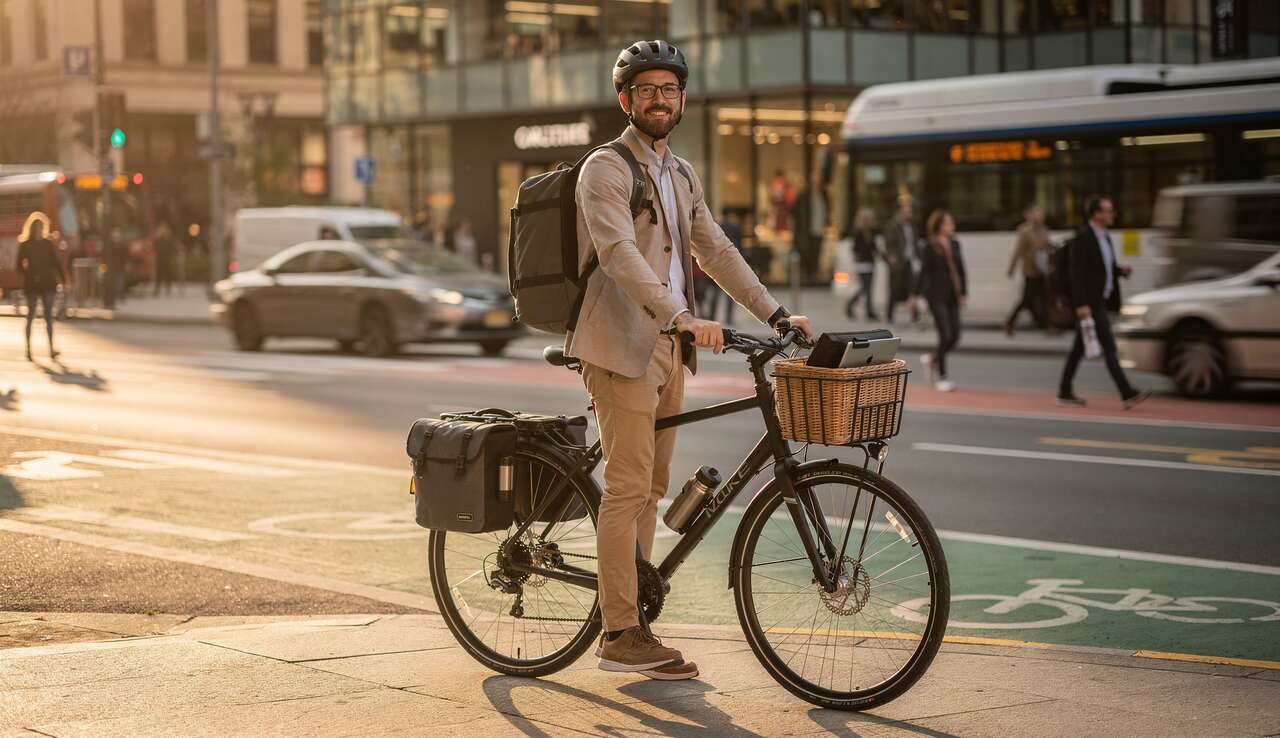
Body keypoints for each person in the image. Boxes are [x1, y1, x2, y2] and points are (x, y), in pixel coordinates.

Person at [571, 39, 814, 681]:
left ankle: (635, 615)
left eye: (669, 89)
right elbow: (619, 254)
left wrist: (774, 314)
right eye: (646, 89)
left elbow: (716, 250)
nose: (659, 99)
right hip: (622, 346)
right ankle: (619, 632)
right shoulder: (606, 167)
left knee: (651, 486)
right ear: (626, 100)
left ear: (682, 99)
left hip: (670, 351)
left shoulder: (680, 173)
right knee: (628, 486)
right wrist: (678, 315)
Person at [1058, 196, 1149, 409]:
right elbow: (1076, 274)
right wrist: (1081, 304)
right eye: (1108, 211)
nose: (1112, 214)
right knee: (1109, 346)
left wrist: (1119, 271)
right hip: (1090, 302)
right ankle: (1126, 392)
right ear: (1096, 214)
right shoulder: (1083, 238)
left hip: (1101, 299)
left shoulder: (1104, 237)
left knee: (1078, 348)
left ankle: (1064, 390)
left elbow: (1102, 267)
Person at [910, 210, 966, 392]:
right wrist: (915, 295)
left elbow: (961, 269)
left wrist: (963, 293)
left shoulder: (955, 243)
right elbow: (924, 271)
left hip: (952, 294)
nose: (952, 225)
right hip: (935, 295)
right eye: (949, 222)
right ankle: (942, 377)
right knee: (945, 334)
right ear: (940, 225)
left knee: (955, 336)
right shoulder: (929, 245)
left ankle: (932, 359)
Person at [15, 212, 67, 361]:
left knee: (48, 317)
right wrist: (29, 274)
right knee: (31, 316)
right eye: (38, 227)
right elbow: (19, 265)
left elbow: (56, 263)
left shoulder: (47, 243)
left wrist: (63, 279)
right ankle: (29, 350)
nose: (40, 229)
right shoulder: (25, 244)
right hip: (32, 284)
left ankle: (50, 348)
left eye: (41, 226)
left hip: (47, 283)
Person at [1005, 204, 1049, 335]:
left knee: (1042, 297)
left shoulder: (1044, 230)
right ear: (1031, 216)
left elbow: (1047, 248)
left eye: (1041, 215)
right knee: (1027, 299)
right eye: (1037, 215)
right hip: (1030, 270)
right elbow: (1018, 251)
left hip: (1042, 270)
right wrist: (1011, 269)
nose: (1039, 217)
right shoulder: (1025, 231)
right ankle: (1011, 321)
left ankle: (1044, 323)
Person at [701, 208, 746, 324]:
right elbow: (739, 246)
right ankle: (728, 317)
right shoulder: (735, 227)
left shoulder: (716, 225)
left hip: (715, 263)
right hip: (731, 263)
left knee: (715, 293)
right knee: (731, 293)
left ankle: (712, 316)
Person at [882, 198, 919, 325]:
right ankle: (889, 315)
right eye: (907, 211)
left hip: (908, 260)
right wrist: (891, 256)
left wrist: (918, 256)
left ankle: (915, 314)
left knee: (912, 288)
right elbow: (888, 243)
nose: (910, 214)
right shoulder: (892, 225)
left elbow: (914, 243)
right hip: (898, 263)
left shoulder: (911, 226)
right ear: (900, 212)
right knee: (894, 289)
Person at [844, 207, 881, 321]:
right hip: (861, 264)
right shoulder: (858, 233)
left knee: (868, 288)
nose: (867, 222)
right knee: (865, 288)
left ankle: (867, 310)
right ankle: (852, 305)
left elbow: (875, 248)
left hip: (870, 263)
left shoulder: (871, 232)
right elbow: (855, 249)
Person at [152, 222, 177, 296]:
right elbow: (155, 248)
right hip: (160, 260)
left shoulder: (169, 239)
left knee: (167, 276)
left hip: (167, 260)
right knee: (159, 276)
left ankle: (167, 290)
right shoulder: (158, 240)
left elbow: (172, 248)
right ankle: (157, 291)